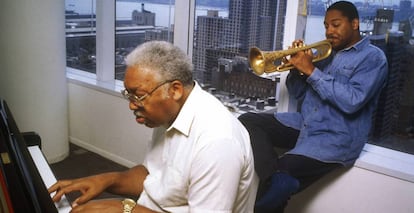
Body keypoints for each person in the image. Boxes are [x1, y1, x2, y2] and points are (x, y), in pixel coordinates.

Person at [49, 41, 258, 213]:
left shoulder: (218, 142)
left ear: (174, 90)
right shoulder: (170, 112)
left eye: (138, 95)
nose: (132, 105)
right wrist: (107, 180)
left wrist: (124, 209)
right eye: (128, 95)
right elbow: (152, 176)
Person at [238, 1, 388, 212]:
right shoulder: (325, 54)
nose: (329, 31)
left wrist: (311, 71)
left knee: (279, 180)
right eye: (326, 25)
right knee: (247, 121)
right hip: (307, 122)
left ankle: (277, 180)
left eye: (335, 24)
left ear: (355, 23)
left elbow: (353, 101)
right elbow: (299, 93)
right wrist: (296, 68)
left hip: (336, 136)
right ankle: (276, 179)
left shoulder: (373, 58)